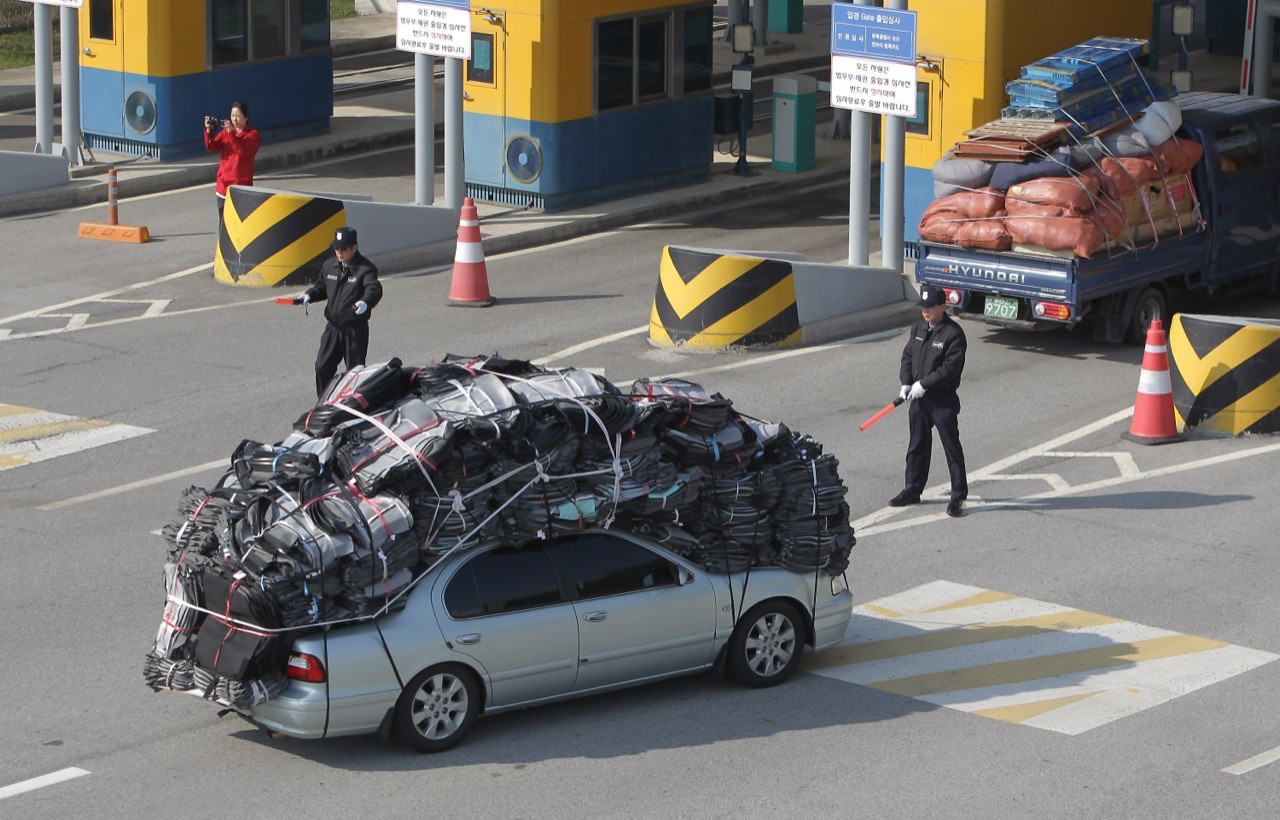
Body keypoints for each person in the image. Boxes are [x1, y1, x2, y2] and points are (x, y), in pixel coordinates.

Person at [890, 286, 969, 518]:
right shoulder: (918, 328)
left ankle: (958, 496)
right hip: (919, 399)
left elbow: (950, 368)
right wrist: (906, 382)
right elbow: (908, 356)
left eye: (929, 307)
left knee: (951, 447)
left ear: (942, 307)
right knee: (917, 445)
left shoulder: (953, 334)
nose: (925, 311)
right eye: (922, 307)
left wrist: (924, 383)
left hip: (941, 399)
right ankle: (912, 489)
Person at [295, 227, 383, 397]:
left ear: (354, 248)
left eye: (343, 249)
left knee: (354, 373)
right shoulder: (330, 266)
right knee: (322, 366)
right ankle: (325, 401)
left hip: (354, 331)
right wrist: (309, 295)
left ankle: (355, 409)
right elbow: (322, 287)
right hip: (333, 328)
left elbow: (374, 288)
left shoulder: (365, 269)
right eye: (336, 248)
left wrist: (366, 302)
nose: (339, 253)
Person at [204, 100, 260, 224]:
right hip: (223, 184)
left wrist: (231, 134)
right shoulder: (227, 132)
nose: (235, 119)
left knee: (239, 223)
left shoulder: (253, 135)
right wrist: (209, 131)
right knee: (223, 222)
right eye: (232, 115)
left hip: (240, 185)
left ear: (246, 117)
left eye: (238, 116)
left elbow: (242, 151)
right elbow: (211, 146)